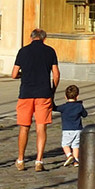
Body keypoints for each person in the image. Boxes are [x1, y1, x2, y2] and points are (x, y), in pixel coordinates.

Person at [12, 27, 61, 172]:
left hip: (26, 93)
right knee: (41, 127)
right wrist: (53, 90)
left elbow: (14, 74)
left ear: (31, 37)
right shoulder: (50, 51)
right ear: (44, 38)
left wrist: (24, 75)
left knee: (24, 127)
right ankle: (39, 161)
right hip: (43, 93)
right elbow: (56, 75)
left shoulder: (23, 51)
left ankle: (21, 159)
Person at [58, 85, 87, 165]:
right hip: (78, 129)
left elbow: (54, 108)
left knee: (65, 144)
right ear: (77, 96)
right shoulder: (79, 106)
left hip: (67, 129)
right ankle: (76, 161)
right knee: (75, 145)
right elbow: (85, 115)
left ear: (65, 97)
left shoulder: (64, 107)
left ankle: (69, 155)